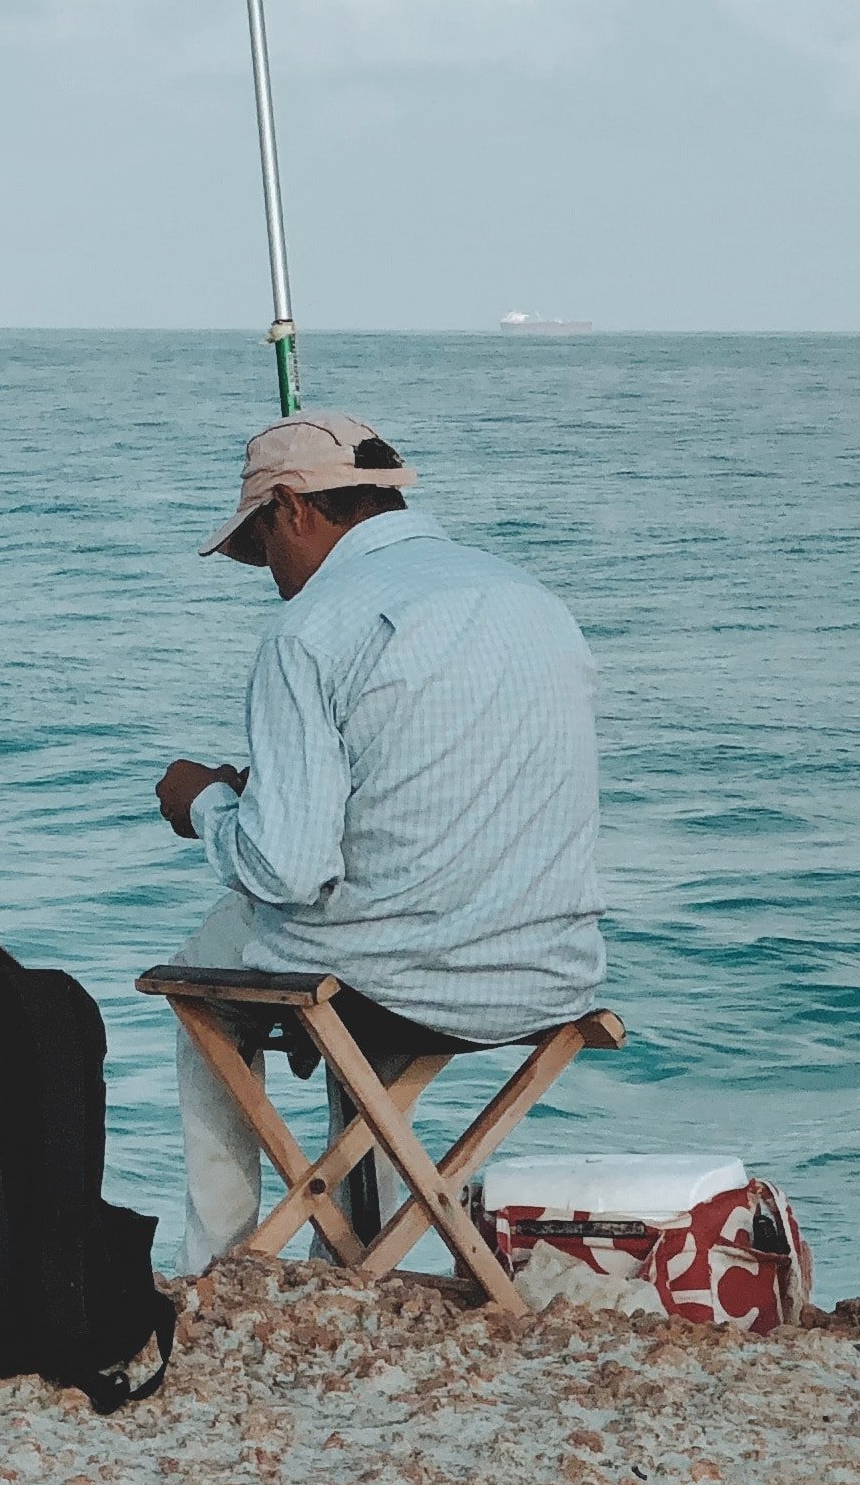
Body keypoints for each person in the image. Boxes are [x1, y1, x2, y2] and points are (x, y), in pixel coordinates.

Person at [154, 412, 604, 1274]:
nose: (271, 578)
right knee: (347, 926)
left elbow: (287, 868)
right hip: (552, 974)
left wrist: (205, 803)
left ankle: (225, 1259)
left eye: (260, 547)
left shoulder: (310, 630)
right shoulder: (532, 601)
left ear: (292, 509)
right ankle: (361, 1245)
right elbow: (441, 792)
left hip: (399, 980)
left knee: (204, 986)